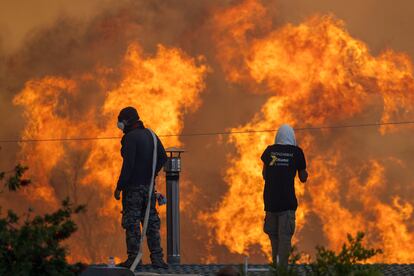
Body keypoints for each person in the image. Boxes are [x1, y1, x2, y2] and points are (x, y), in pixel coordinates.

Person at [113, 106, 168, 269]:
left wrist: (119, 187)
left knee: (132, 223)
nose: (119, 124)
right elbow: (163, 157)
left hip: (133, 189)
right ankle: (157, 259)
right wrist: (152, 174)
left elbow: (128, 165)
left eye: (121, 121)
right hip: (149, 187)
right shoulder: (151, 135)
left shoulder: (130, 138)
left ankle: (133, 259)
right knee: (150, 222)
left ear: (127, 121)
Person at [260, 124, 308, 269]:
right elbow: (303, 177)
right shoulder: (297, 152)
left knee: (274, 237)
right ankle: (282, 270)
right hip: (287, 203)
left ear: (277, 137)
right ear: (292, 137)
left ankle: (276, 267)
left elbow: (264, 175)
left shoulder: (269, 151)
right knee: (285, 238)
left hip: (270, 203)